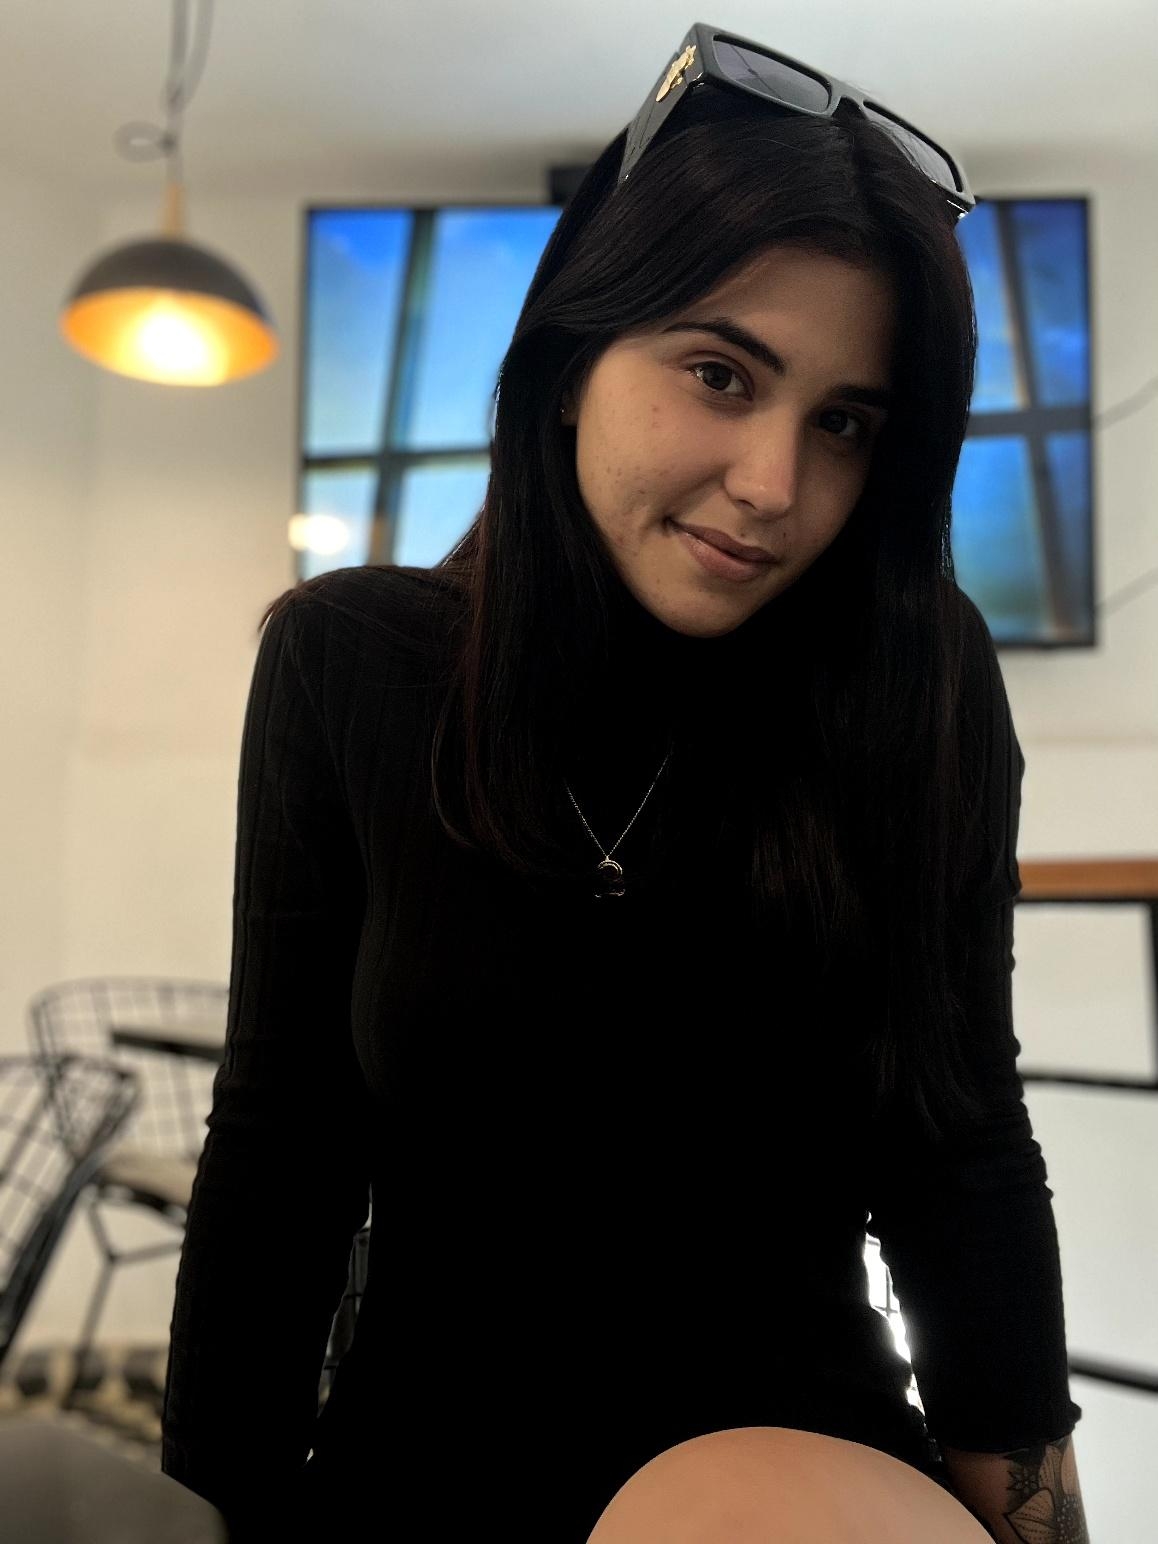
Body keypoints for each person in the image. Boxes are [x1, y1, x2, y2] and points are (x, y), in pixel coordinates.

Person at [161, 23, 1088, 1542]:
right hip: (418, 1464)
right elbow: (285, 1135)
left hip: (794, 1466)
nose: (775, 485)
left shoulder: (915, 674)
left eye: (845, 423)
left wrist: (1040, 1527)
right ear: (570, 358)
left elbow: (959, 1138)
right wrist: (227, 1505)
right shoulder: (353, 662)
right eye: (720, 373)